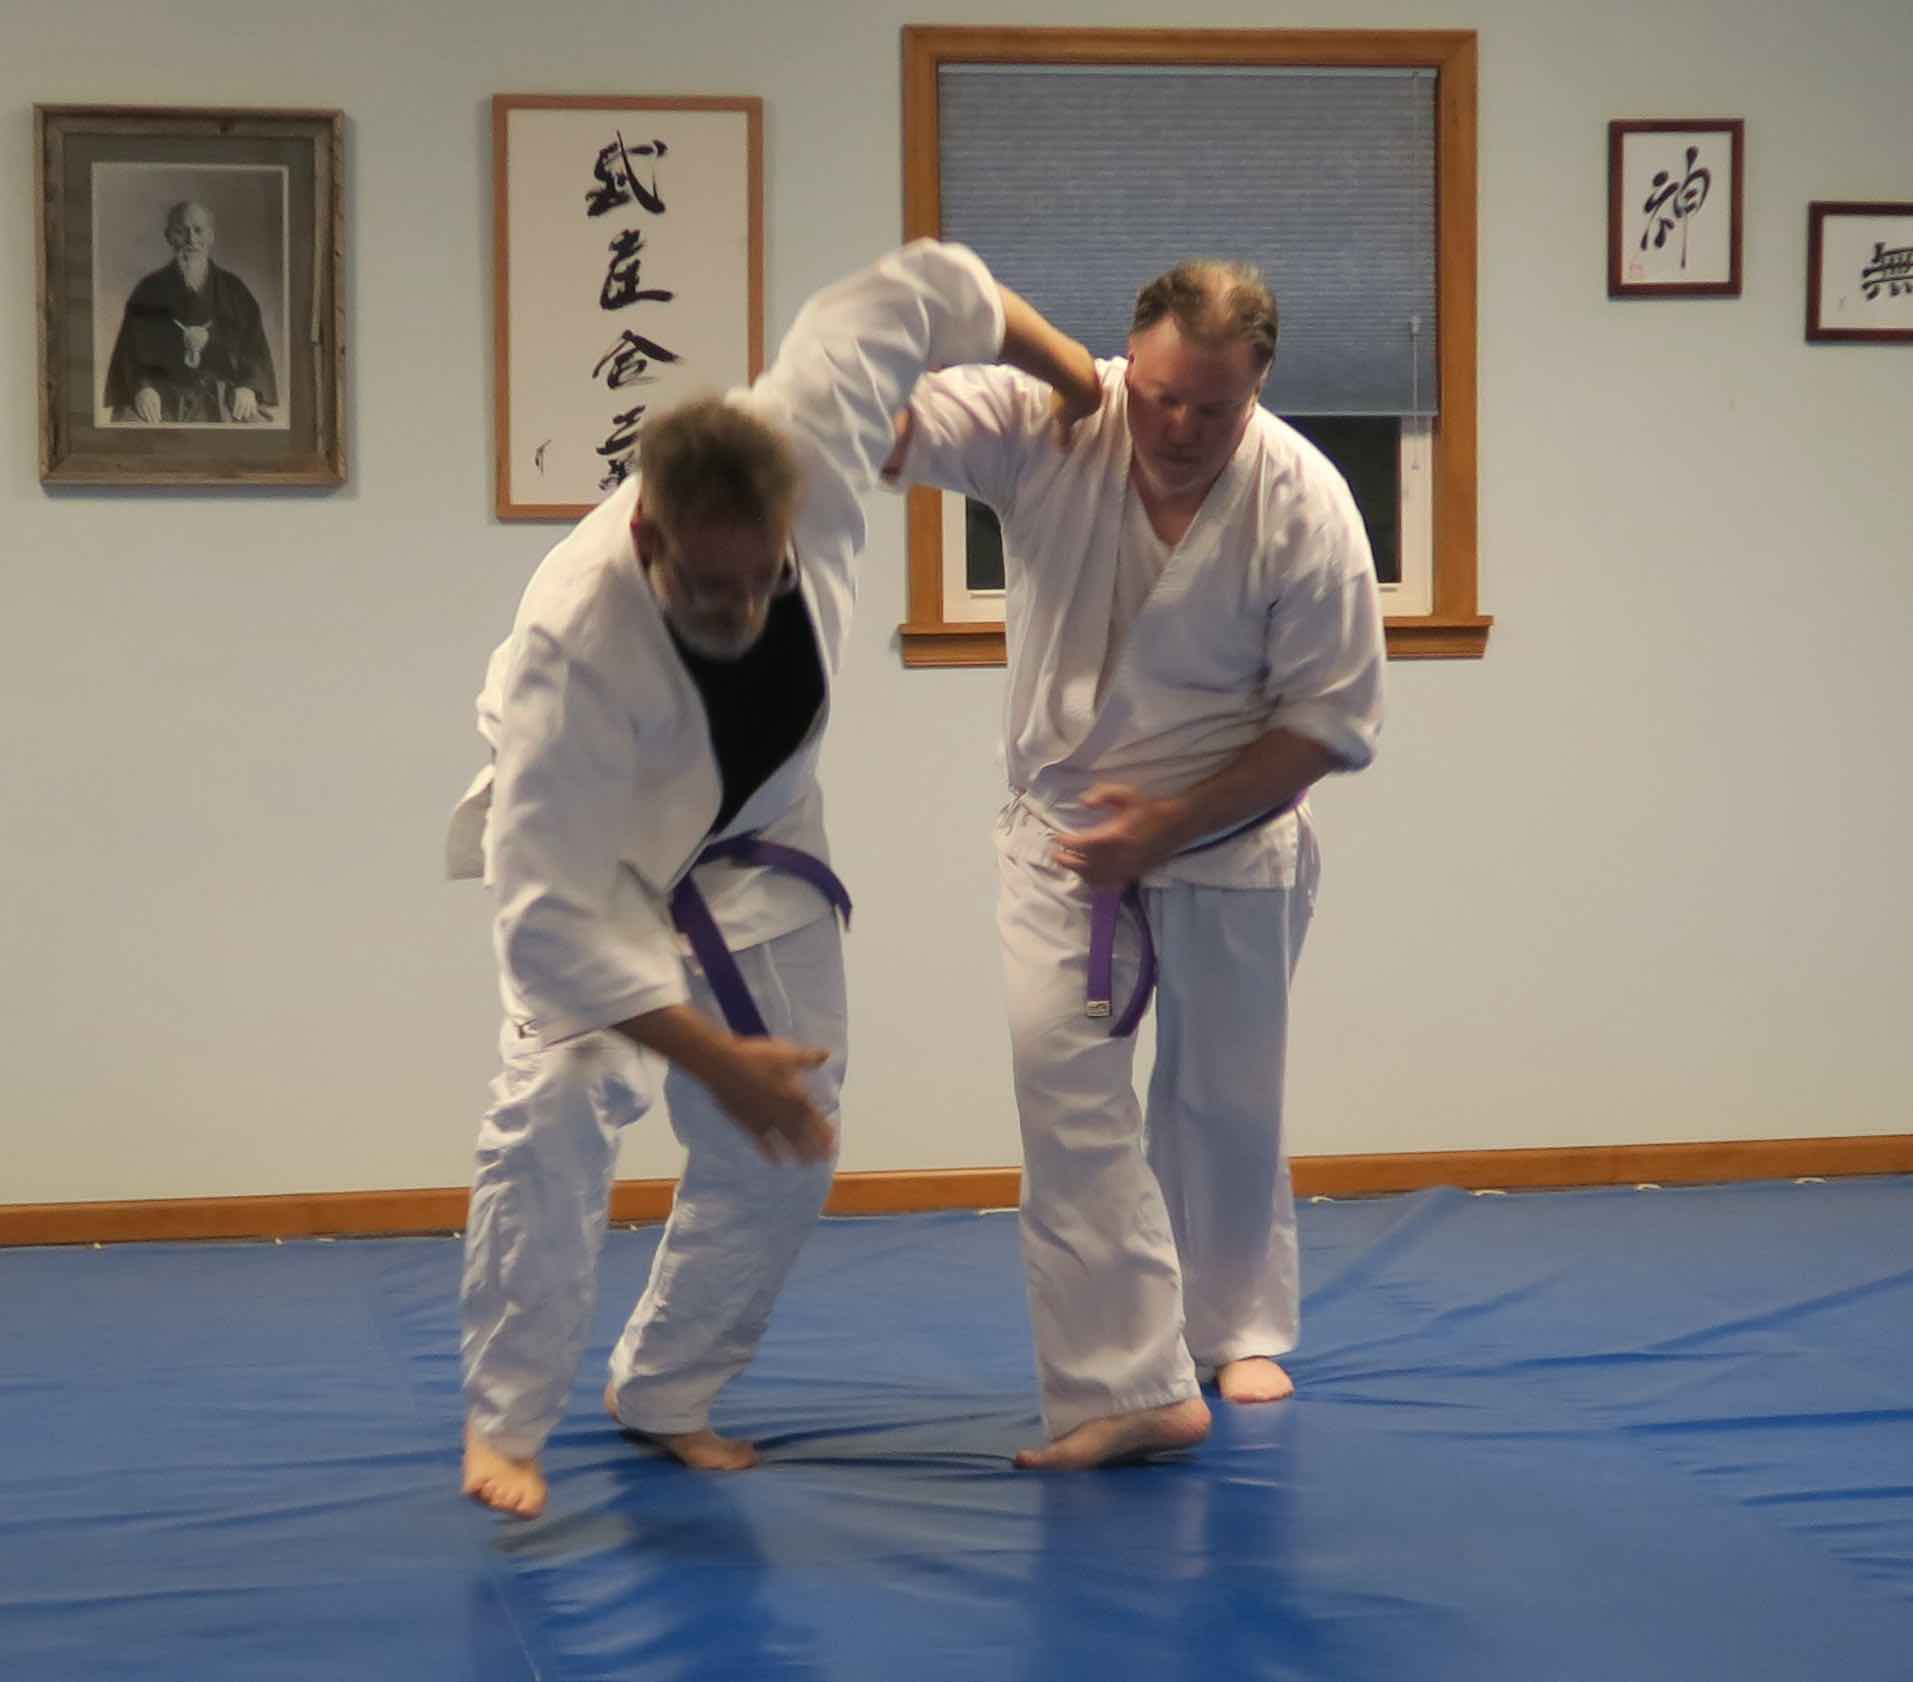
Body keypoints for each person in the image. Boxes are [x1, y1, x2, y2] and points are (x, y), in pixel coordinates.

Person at [446, 240, 1097, 1519]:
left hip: (758, 824)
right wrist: (702, 1048)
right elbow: (544, 921)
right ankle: (506, 1421)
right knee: (555, 1119)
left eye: (763, 578)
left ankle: (670, 1388)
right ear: (647, 534)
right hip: (604, 865)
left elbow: (932, 286)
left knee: (792, 1134)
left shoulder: (812, 421)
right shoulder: (568, 653)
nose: (740, 607)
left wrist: (1079, 382)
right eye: (706, 585)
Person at [885, 258, 1385, 1469]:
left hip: (1229, 837)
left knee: (1223, 1097)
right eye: (1158, 394)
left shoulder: (1303, 504)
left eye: (1211, 407)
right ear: (1125, 359)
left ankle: (1237, 1323)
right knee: (1063, 1093)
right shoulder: (1056, 423)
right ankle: (1126, 1384)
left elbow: (1326, 726)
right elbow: (887, 426)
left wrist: (1163, 827)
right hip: (1061, 837)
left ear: (1258, 384)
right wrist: (1027, 347)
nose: (1177, 426)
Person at [102, 199, 278, 424]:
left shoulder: (234, 291)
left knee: (259, 435)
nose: (191, 240)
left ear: (211, 236)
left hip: (222, 395)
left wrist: (248, 386)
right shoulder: (148, 290)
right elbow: (129, 352)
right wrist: (142, 388)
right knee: (129, 431)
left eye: (198, 231)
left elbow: (254, 349)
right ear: (168, 237)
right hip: (162, 394)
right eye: (181, 231)